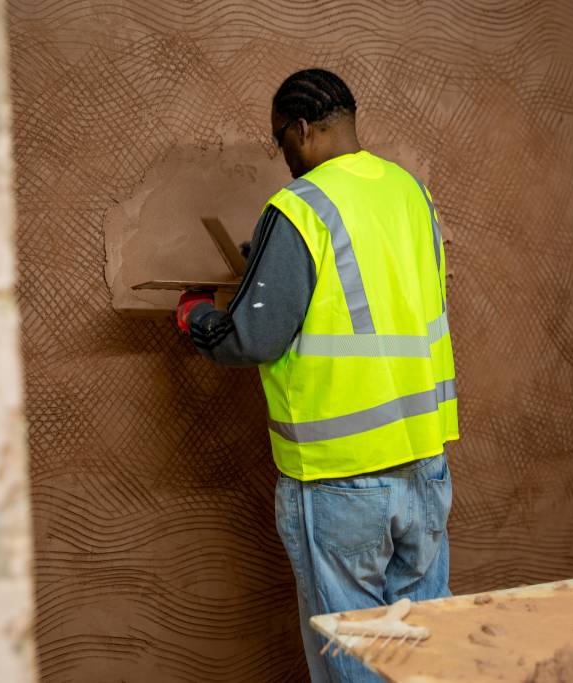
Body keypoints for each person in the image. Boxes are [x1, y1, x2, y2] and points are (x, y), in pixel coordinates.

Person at [176, 68, 459, 682]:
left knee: (355, 659)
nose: (284, 158)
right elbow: (391, 299)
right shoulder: (410, 192)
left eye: (281, 142)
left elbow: (251, 338)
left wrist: (195, 315)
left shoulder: (302, 207)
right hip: (425, 464)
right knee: (419, 655)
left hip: (341, 480)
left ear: (300, 130)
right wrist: (275, 269)